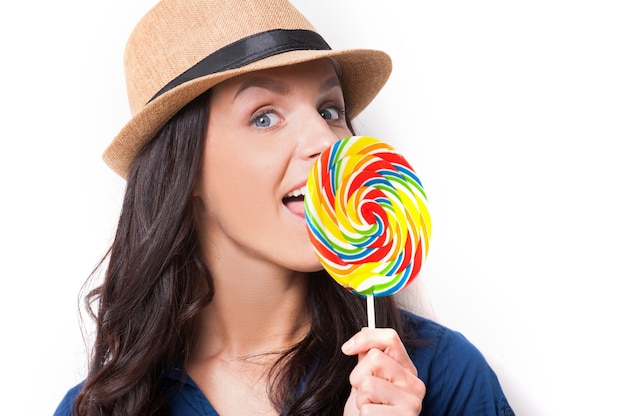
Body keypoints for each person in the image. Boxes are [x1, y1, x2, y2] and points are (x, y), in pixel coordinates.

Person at [54, 0, 515, 415]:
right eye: (264, 117)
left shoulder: (441, 373)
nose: (323, 140)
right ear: (184, 167)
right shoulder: (104, 407)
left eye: (329, 110)